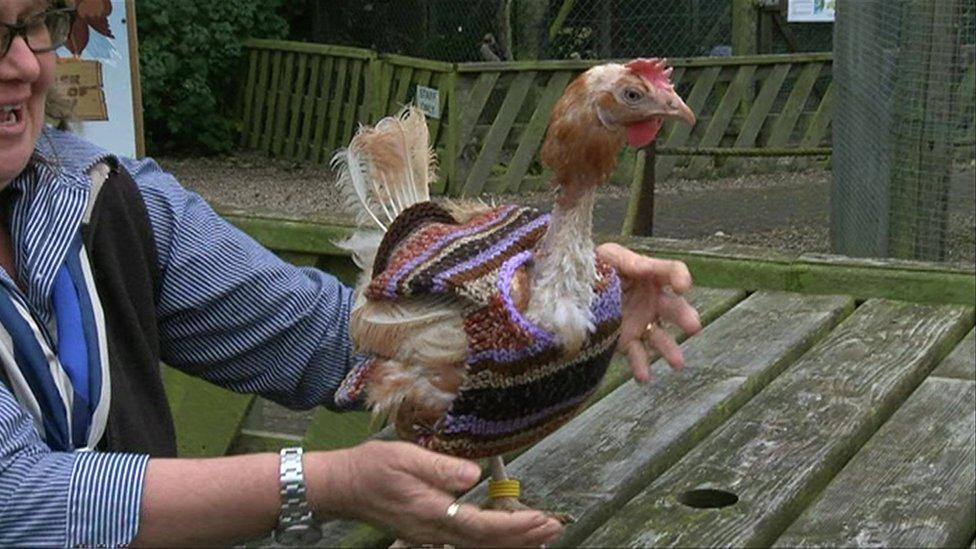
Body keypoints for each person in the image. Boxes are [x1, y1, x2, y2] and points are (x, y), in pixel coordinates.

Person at [0, 1, 702, 546]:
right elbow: (18, 497)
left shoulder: (100, 197)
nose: (24, 66)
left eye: (31, 25)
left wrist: (546, 298)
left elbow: (330, 334)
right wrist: (324, 480)